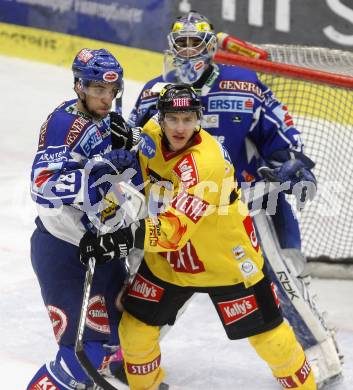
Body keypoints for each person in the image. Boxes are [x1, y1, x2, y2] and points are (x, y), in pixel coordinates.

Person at [127, 11, 342, 386]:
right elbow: (132, 148)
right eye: (183, 43)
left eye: (197, 42)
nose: (190, 50)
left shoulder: (245, 85)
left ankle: (318, 357)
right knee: (149, 293)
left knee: (282, 281)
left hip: (241, 210)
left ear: (210, 47)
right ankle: (133, 358)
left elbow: (282, 133)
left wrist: (291, 162)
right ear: (172, 47)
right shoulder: (153, 93)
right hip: (176, 213)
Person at [79, 83, 317, 389]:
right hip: (171, 262)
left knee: (272, 340)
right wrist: (112, 182)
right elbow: (133, 171)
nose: (180, 127)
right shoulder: (150, 134)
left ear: (199, 119)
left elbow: (173, 231)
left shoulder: (205, 163)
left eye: (188, 119)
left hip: (225, 261)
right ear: (160, 117)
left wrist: (121, 237)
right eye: (173, 119)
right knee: (135, 332)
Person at [28, 48, 140, 389]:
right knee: (83, 357)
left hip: (103, 246)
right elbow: (41, 183)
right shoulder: (64, 124)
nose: (106, 99)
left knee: (123, 333)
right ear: (79, 86)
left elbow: (137, 163)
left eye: (112, 91)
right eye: (97, 91)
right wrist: (98, 172)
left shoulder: (112, 121)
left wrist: (136, 152)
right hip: (65, 251)